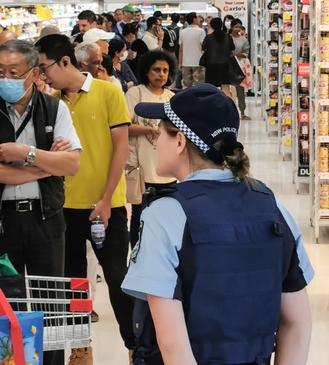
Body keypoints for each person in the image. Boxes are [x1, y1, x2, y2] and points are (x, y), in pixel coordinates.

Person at [122, 83, 314, 365]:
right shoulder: (274, 209)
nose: (154, 140)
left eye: (160, 131)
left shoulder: (164, 216)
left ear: (179, 142)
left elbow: (173, 346)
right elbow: (297, 324)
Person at [0, 39, 82, 365]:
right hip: (2, 222)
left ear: (33, 73)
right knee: (6, 304)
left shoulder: (55, 108)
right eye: (0, 71)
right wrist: (44, 166)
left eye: (13, 72)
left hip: (46, 219)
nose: (5, 78)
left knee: (51, 305)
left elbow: (72, 165)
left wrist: (24, 154)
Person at [35, 34, 134, 363]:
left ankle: (136, 346)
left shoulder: (108, 91)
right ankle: (80, 349)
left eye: (44, 67)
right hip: (63, 208)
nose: (42, 75)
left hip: (107, 205)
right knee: (73, 284)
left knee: (118, 279)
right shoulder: (50, 103)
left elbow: (121, 146)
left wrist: (107, 198)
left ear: (64, 61)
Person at [125, 50, 178, 248]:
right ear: (147, 72)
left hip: (169, 172)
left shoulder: (171, 97)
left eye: (165, 70)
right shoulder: (135, 94)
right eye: (156, 70)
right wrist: (149, 129)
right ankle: (138, 256)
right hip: (142, 170)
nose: (161, 74)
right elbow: (123, 127)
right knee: (140, 218)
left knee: (167, 220)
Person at [202, 17, 235, 96]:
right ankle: (227, 105)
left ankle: (213, 105)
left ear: (212, 26)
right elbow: (232, 49)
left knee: (211, 88)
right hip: (225, 65)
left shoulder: (208, 37)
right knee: (226, 88)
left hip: (211, 65)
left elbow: (203, 48)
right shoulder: (228, 37)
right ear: (221, 25)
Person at [230, 18, 250, 120]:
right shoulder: (227, 38)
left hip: (239, 68)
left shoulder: (244, 40)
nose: (238, 28)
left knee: (240, 91)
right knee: (229, 91)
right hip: (228, 67)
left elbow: (246, 54)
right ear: (231, 27)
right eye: (236, 26)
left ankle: (242, 112)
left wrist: (236, 54)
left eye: (240, 27)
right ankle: (229, 113)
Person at [179, 12, 206, 88]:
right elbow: (203, 47)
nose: (199, 19)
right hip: (198, 62)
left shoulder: (182, 32)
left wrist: (180, 63)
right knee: (199, 86)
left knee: (187, 86)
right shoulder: (201, 31)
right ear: (194, 19)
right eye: (197, 17)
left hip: (185, 63)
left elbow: (181, 49)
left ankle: (188, 100)